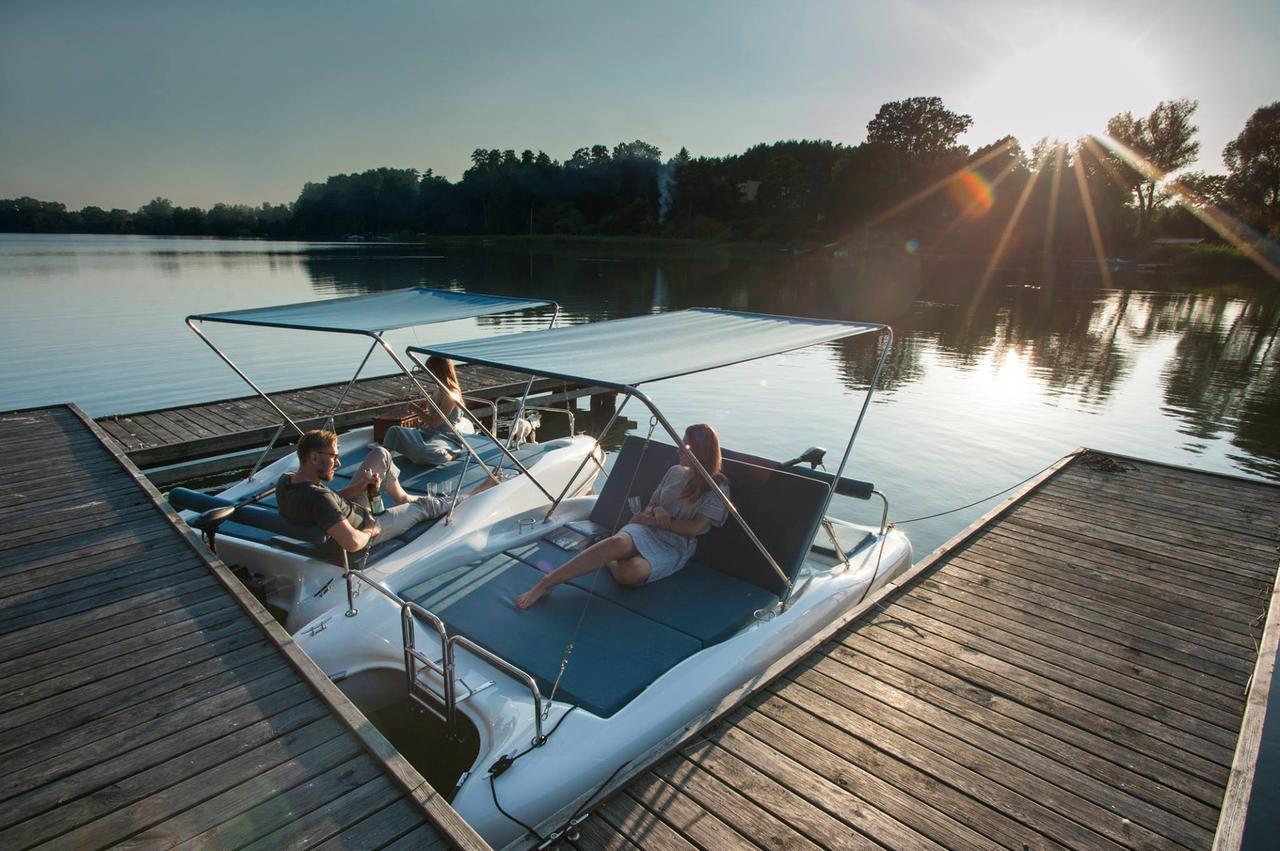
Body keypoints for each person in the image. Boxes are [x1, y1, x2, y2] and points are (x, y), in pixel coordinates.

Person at [514, 423, 730, 609]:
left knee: (631, 574)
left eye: (686, 446)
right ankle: (546, 583)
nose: (679, 449)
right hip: (647, 529)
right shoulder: (675, 471)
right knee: (617, 542)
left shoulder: (717, 487)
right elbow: (652, 505)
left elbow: (695, 528)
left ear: (702, 452)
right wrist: (657, 512)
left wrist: (653, 519)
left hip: (675, 545)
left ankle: (602, 552)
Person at [277, 429, 496, 554]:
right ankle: (472, 494)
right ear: (314, 457)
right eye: (334, 457)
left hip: (350, 512)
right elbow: (352, 543)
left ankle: (401, 496)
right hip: (368, 525)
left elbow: (329, 505)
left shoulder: (287, 481)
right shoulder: (319, 499)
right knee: (424, 505)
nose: (339, 463)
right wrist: (373, 529)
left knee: (380, 454)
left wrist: (358, 487)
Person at [381, 356, 466, 465]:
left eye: (430, 372)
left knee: (425, 452)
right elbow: (432, 414)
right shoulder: (438, 390)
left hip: (445, 436)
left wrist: (416, 410)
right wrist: (424, 407)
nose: (429, 375)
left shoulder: (451, 395)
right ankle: (384, 460)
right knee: (394, 431)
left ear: (438, 372)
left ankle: (452, 453)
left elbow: (435, 423)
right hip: (427, 433)